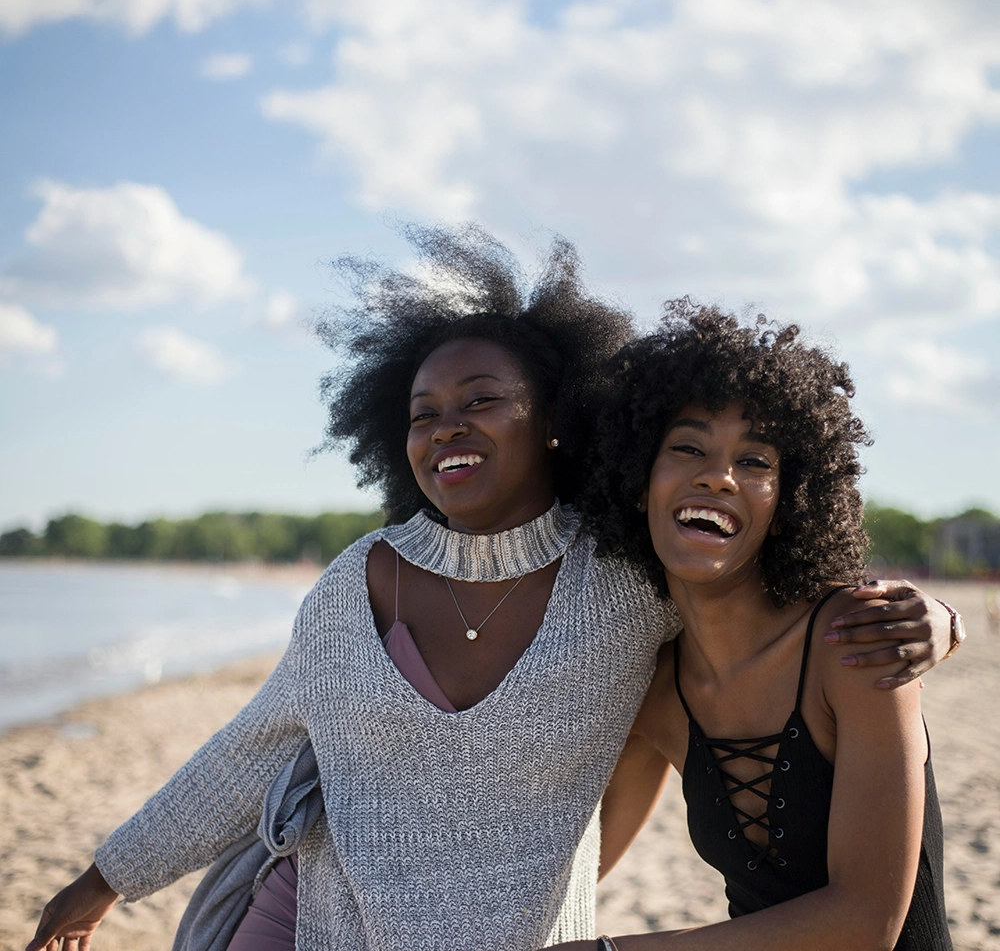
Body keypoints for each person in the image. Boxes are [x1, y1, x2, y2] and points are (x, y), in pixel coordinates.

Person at [27, 230, 956, 951]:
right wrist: (101, 880)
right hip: (314, 925)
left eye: (481, 400)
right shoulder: (354, 585)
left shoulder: (627, 585)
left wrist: (942, 619)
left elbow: (768, 603)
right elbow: (248, 753)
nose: (447, 428)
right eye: (423, 413)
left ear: (556, 422)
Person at [553, 302, 953, 950]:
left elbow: (866, 920)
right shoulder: (655, 689)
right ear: (635, 481)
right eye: (688, 447)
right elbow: (569, 872)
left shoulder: (854, 642)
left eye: (757, 462)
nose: (718, 475)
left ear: (790, 500)